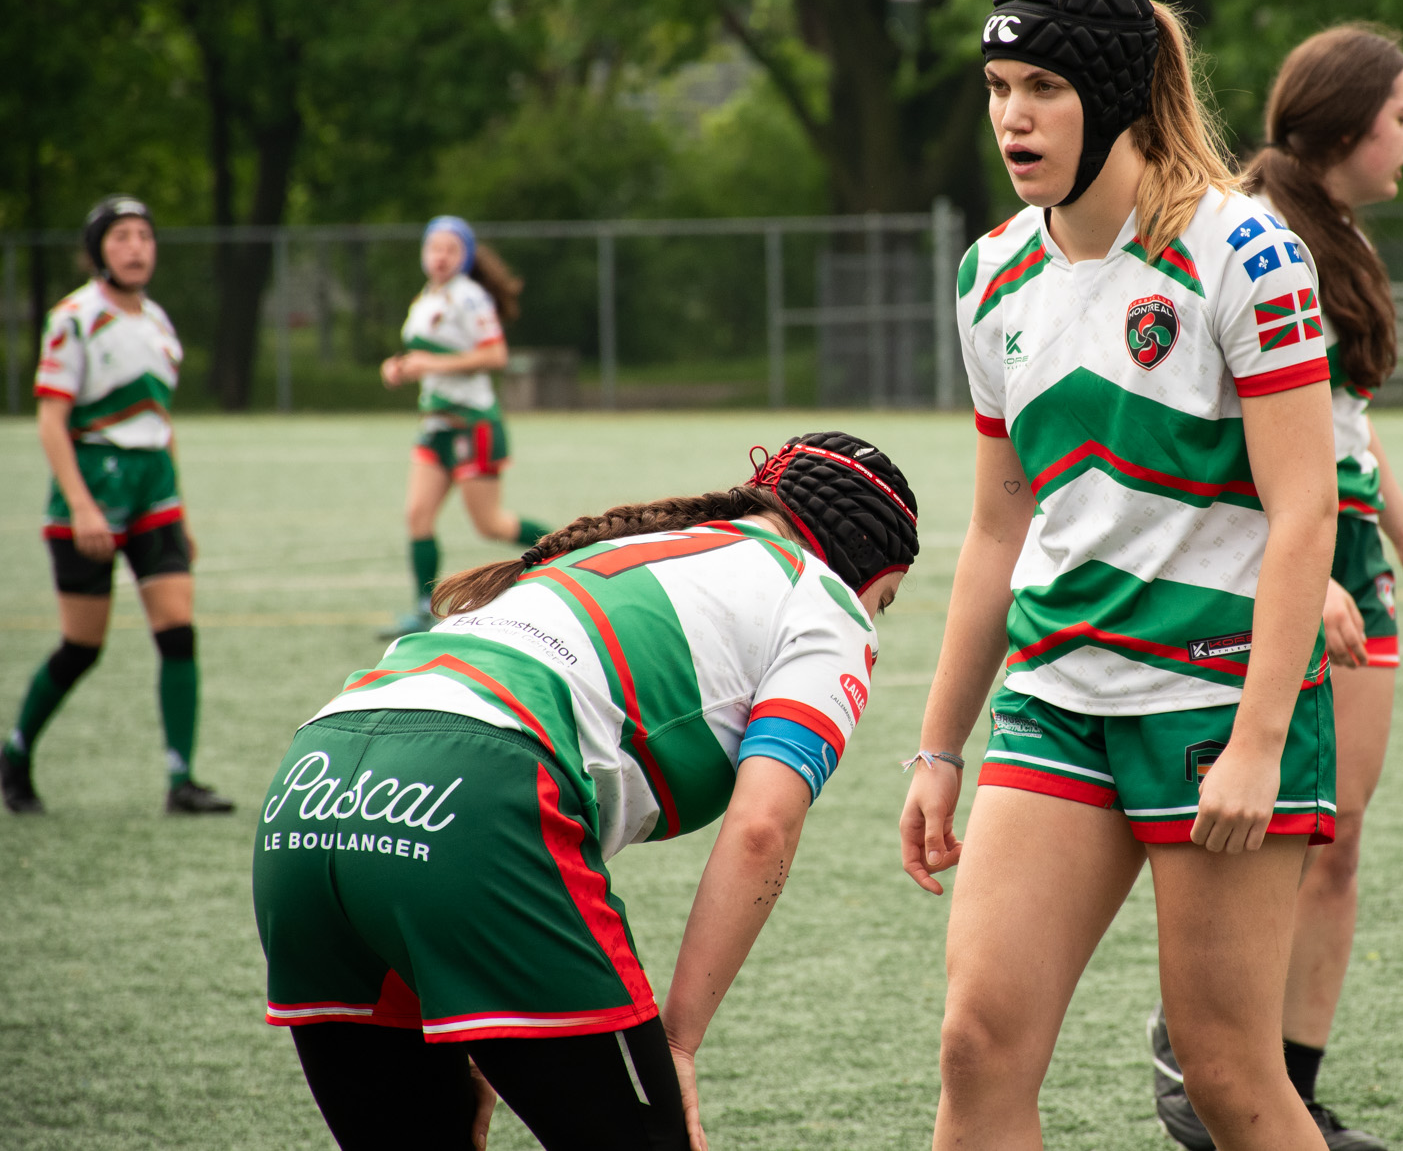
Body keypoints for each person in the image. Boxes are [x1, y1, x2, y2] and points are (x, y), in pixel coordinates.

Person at [899, 0, 1339, 1151]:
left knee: (1225, 1077)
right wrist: (938, 746)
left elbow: (1305, 510)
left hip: (1211, 705)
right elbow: (998, 527)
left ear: (1113, 97)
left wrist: (1257, 742)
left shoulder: (1242, 251)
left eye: (1041, 87)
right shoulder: (989, 274)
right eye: (998, 87)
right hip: (1055, 699)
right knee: (976, 1046)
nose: (1012, 116)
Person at [253, 433, 919, 1151]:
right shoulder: (823, 598)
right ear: (865, 563)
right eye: (884, 600)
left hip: (306, 791)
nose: (872, 615)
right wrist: (677, 1042)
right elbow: (764, 828)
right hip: (477, 800)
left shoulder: (616, 549)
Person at [1145, 26, 1403, 1150]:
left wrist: (1400, 524)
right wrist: (1276, 571)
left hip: (1352, 550)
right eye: (1401, 117)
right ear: (1344, 127)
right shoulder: (1248, 232)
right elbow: (1219, 425)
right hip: (1280, 553)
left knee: (1334, 842)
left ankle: (1290, 1095)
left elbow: (1338, 417)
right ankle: (1204, 1075)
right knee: (1264, 836)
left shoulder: (1338, 231)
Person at [2, 195, 232, 816]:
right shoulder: (73, 318)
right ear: (99, 249)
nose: (135, 247)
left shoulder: (157, 321)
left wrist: (181, 510)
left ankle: (181, 780)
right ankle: (15, 753)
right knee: (82, 647)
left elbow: (160, 421)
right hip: (94, 484)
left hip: (154, 489)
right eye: (121, 236)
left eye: (144, 236)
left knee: (178, 632)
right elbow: (51, 421)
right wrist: (82, 506)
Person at [380, 215, 548, 638]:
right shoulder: (426, 297)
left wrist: (429, 364)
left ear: (466, 256)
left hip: (472, 426)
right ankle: (424, 609)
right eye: (434, 248)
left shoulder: (469, 298)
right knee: (417, 516)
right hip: (435, 426)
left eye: (450, 250)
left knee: (491, 525)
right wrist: (399, 367)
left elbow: (495, 356)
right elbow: (426, 356)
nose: (440, 256)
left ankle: (568, 550)